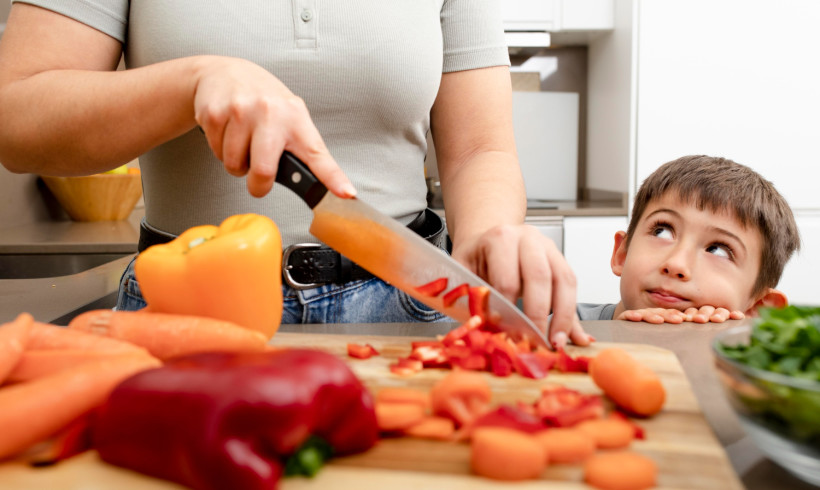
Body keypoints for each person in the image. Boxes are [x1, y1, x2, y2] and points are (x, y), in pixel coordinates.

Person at [0, 2, 591, 348]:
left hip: (405, 307)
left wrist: (487, 234)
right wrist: (195, 80)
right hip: (183, 315)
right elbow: (15, 115)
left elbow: (480, 149)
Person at [577, 155, 800, 323]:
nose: (676, 264)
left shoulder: (752, 379)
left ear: (758, 308)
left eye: (718, 250)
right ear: (622, 254)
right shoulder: (555, 332)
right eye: (661, 231)